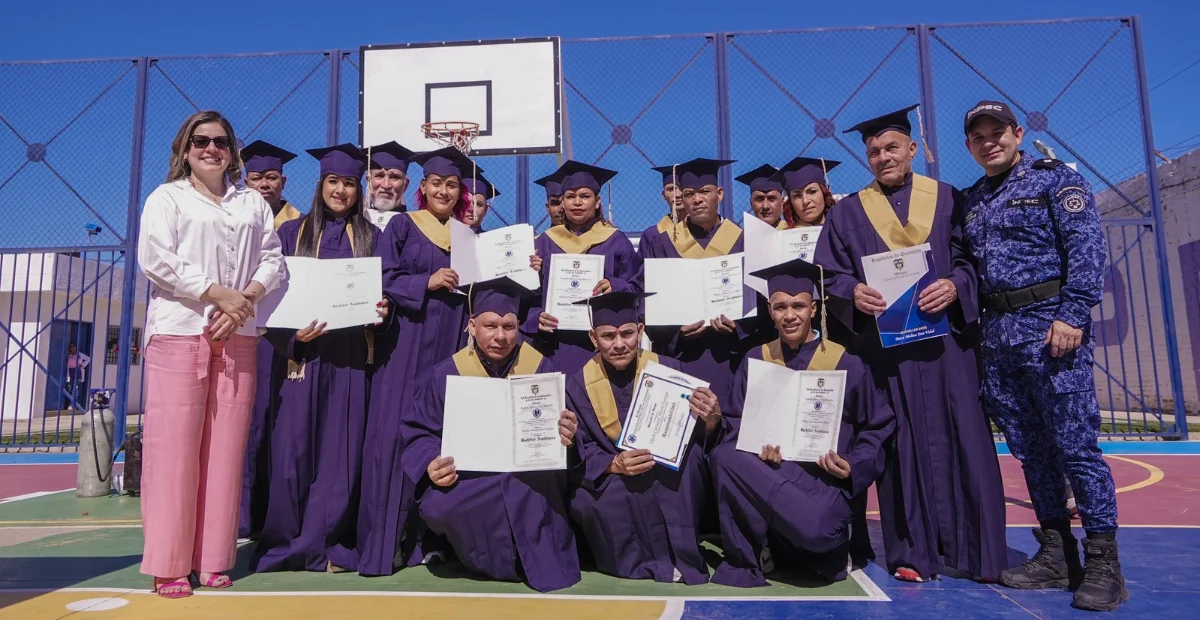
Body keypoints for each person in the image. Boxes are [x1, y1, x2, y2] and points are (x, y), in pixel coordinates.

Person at [814, 104, 1007, 583]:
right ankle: (913, 552)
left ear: (913, 149)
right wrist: (850, 291)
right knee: (899, 448)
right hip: (888, 354)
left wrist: (958, 284)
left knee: (965, 437)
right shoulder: (848, 213)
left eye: (892, 147)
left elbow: (973, 259)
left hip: (948, 351)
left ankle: (977, 554)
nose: (883, 157)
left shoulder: (948, 199)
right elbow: (828, 274)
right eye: (874, 151)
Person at [961, 101, 1124, 611]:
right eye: (979, 137)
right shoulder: (971, 201)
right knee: (1032, 452)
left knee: (1076, 447)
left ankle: (1104, 563)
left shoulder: (1054, 181)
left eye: (997, 133)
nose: (990, 142)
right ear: (970, 146)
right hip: (1000, 336)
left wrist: (1073, 313)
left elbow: (1087, 248)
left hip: (1051, 328)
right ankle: (1056, 553)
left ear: (1017, 133)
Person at [136, 110, 284, 598]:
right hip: (180, 333)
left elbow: (273, 260)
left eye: (221, 141)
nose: (211, 149)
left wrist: (243, 304)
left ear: (232, 149)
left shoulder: (251, 203)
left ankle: (214, 557)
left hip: (237, 335)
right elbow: (157, 259)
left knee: (224, 452)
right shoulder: (167, 198)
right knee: (174, 451)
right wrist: (218, 293)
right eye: (200, 141)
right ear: (184, 148)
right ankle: (170, 562)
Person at [709, 258, 894, 587]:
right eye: (780, 307)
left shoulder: (844, 362)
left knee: (817, 528)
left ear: (814, 308)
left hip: (822, 486)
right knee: (723, 455)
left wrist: (853, 465)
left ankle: (817, 545)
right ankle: (755, 552)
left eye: (798, 305)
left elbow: (876, 427)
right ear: (770, 310)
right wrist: (752, 447)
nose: (789, 315)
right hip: (770, 474)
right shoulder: (756, 359)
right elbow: (735, 425)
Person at [250, 144, 389, 574]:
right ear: (320, 185)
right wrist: (292, 337)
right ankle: (287, 542)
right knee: (291, 455)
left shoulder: (371, 237)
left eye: (350, 183)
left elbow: (385, 296)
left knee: (338, 457)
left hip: (348, 360)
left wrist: (383, 312)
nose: (341, 191)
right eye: (334, 181)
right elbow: (267, 302)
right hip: (301, 360)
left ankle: (327, 544)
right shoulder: (291, 234)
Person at [400, 277, 582, 592]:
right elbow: (419, 429)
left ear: (518, 327)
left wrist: (567, 433)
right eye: (490, 326)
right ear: (472, 326)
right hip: (472, 477)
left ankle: (523, 561)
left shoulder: (541, 369)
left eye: (509, 327)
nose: (500, 336)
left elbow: (562, 433)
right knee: (436, 506)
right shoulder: (447, 373)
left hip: (529, 475)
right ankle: (479, 559)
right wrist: (430, 461)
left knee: (524, 492)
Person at [357, 146, 476, 576]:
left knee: (442, 438)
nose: (444, 190)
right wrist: (425, 281)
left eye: (452, 184)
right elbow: (383, 277)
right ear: (421, 187)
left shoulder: (466, 236)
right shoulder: (403, 227)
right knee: (393, 437)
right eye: (437, 183)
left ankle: (430, 541)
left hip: (449, 346)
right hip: (406, 345)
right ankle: (383, 543)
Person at [566, 291, 725, 584]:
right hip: (614, 474)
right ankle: (638, 564)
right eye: (607, 336)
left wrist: (712, 417)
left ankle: (682, 558)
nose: (618, 344)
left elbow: (702, 435)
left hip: (665, 467)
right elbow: (579, 449)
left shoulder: (669, 371)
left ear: (640, 331)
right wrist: (613, 464)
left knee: (685, 467)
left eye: (627, 333)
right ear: (593, 337)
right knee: (592, 496)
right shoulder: (577, 386)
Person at [638, 158, 751, 407]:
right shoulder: (662, 243)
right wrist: (676, 332)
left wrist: (738, 328)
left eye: (704, 192)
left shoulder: (743, 241)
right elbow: (645, 302)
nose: (697, 199)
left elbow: (761, 304)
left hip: (731, 358)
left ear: (719, 194)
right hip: (681, 357)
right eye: (689, 193)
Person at [237, 139, 302, 542]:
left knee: (282, 426)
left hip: (288, 339)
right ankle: (243, 518)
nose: (264, 184)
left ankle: (275, 515)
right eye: (256, 177)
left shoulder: (301, 224)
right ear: (245, 180)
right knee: (247, 427)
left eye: (271, 177)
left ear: (283, 180)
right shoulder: (237, 220)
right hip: (247, 333)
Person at [528, 161, 642, 374]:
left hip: (604, 347)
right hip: (555, 345)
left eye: (585, 196)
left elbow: (637, 285)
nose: (577, 202)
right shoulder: (543, 242)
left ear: (597, 201)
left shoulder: (616, 241)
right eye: (570, 197)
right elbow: (526, 297)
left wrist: (615, 286)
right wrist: (536, 318)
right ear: (562, 203)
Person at [636, 165, 688, 259]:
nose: (678, 194)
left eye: (682, 188)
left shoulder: (706, 231)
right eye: (671, 189)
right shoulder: (652, 235)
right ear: (663, 195)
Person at [773, 157, 840, 228]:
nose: (805, 201)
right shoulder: (783, 236)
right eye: (797, 195)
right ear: (791, 203)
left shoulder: (844, 230)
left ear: (824, 193)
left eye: (812, 192)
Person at [364, 141, 416, 229]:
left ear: (406, 184)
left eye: (395, 177)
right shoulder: (356, 226)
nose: (386, 185)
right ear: (368, 181)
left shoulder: (414, 229)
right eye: (379, 176)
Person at [735, 164, 785, 228]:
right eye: (759, 199)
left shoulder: (795, 234)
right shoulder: (742, 237)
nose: (765, 206)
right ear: (751, 203)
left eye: (771, 199)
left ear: (782, 202)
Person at [62, 342, 90, 410]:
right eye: (71, 346)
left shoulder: (79, 354)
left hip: (77, 371)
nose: (72, 348)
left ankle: (72, 405)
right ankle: (66, 404)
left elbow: (88, 359)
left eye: (73, 346)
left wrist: (82, 365)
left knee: (75, 389)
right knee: (69, 388)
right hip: (70, 372)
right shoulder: (68, 355)